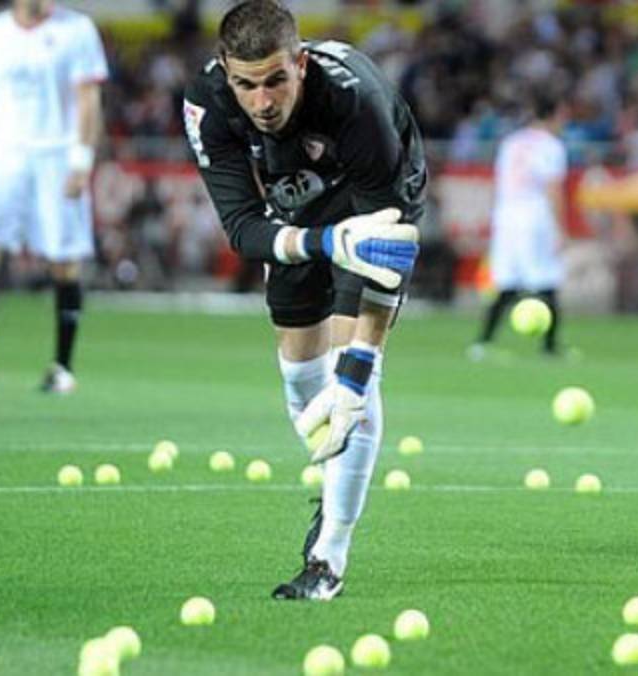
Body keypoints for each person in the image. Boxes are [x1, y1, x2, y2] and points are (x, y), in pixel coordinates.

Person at [183, 0, 423, 600]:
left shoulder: (355, 102)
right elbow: (242, 227)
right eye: (246, 85)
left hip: (372, 210)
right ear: (225, 72)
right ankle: (336, 477)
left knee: (350, 385)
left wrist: (360, 367)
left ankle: (328, 557)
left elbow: (388, 250)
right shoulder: (206, 103)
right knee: (300, 379)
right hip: (298, 215)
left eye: (276, 81)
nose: (262, 102)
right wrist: (320, 241)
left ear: (301, 65)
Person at [0, 0, 107, 394]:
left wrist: (82, 160)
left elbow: (88, 98)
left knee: (64, 260)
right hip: (2, 155)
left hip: (56, 156)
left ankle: (62, 368)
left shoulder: (77, 30)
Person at [469, 96, 568, 358]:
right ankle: (550, 346)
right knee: (546, 278)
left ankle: (482, 342)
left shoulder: (511, 142)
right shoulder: (551, 146)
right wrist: (560, 228)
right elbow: (552, 188)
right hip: (534, 216)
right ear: (553, 115)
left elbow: (498, 184)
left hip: (506, 217)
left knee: (505, 280)